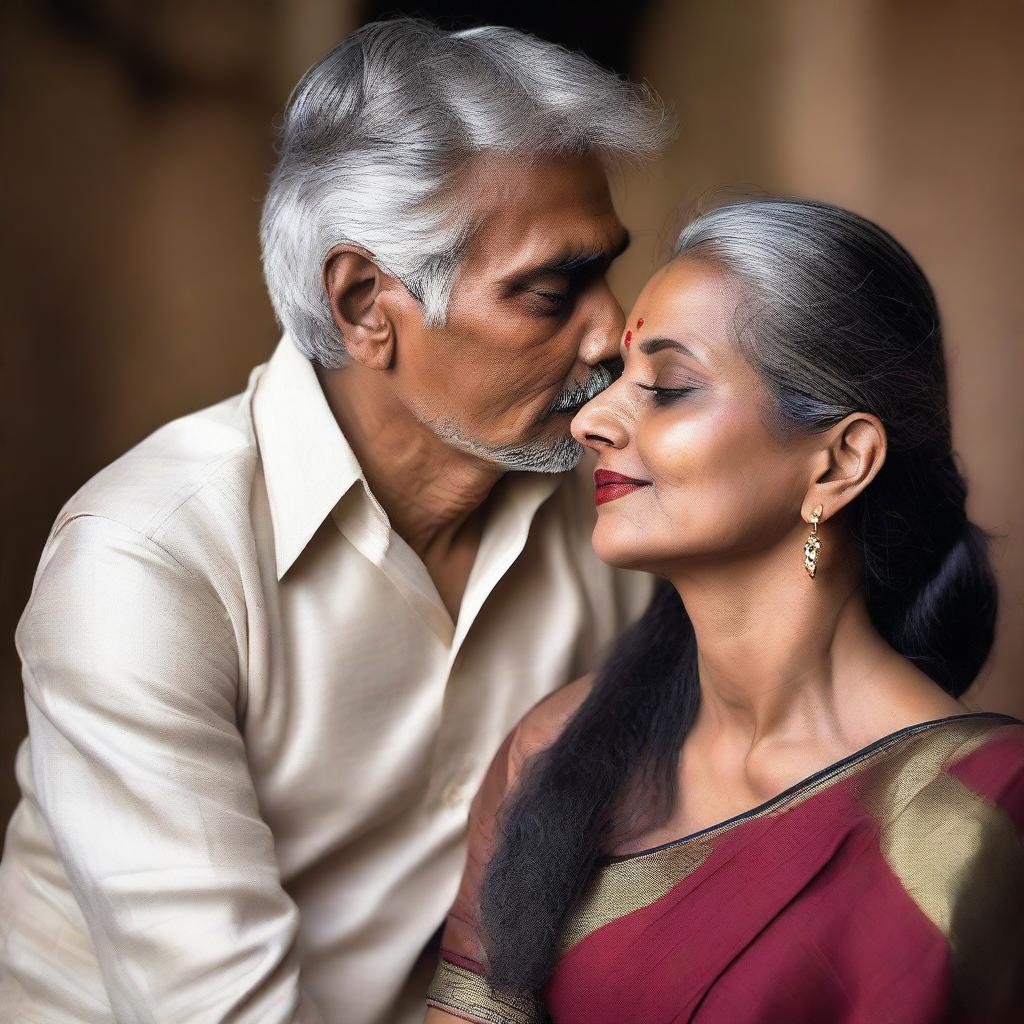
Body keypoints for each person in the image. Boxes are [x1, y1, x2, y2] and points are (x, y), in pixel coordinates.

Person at [0, 18, 670, 1024]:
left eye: (607, 268)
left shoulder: (608, 515)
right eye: (550, 291)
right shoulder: (146, 564)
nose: (612, 329)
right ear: (364, 305)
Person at [426, 198, 1024, 1024]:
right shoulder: (560, 752)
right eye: (618, 385)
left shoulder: (980, 813)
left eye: (667, 389)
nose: (594, 419)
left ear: (839, 461)